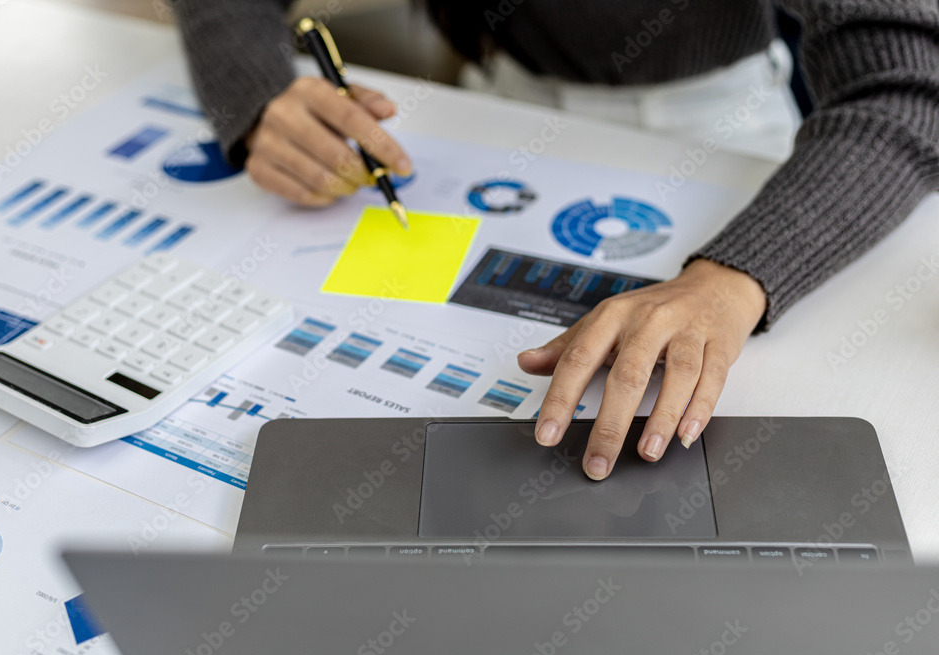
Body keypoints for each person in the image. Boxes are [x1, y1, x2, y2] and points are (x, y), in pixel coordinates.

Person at [174, 0, 939, 480]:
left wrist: (734, 277)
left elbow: (909, 84)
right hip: (490, 113)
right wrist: (255, 95)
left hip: (727, 131)